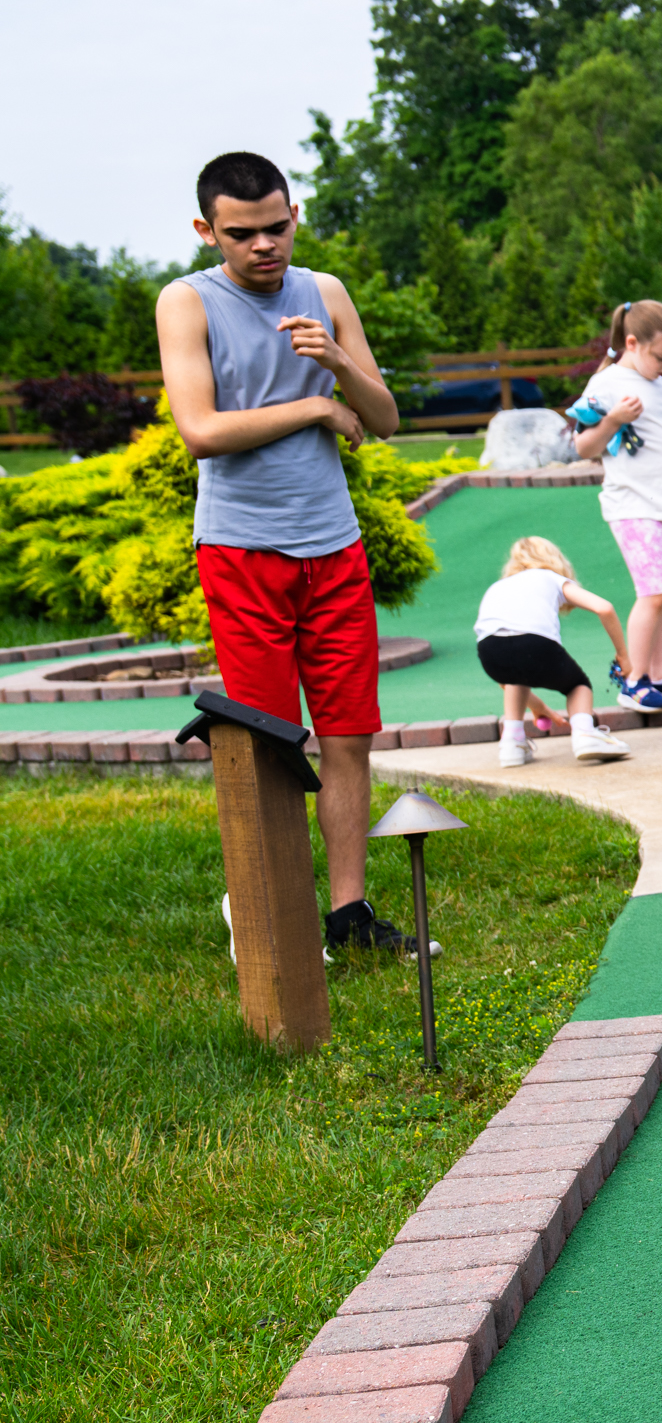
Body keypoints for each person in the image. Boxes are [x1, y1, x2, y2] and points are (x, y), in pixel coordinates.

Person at [157, 150, 424, 957]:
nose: (264, 245)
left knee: (348, 734)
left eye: (276, 227)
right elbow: (200, 431)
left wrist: (338, 365)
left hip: (334, 546)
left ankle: (349, 913)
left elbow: (384, 418)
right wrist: (314, 408)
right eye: (242, 233)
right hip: (242, 549)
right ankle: (268, 906)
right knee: (269, 742)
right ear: (207, 230)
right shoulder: (187, 301)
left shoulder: (326, 292)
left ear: (295, 216)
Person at [567, 300, 662, 707]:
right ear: (632, 343)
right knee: (652, 593)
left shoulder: (659, 386)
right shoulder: (607, 384)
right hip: (633, 506)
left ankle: (659, 678)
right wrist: (613, 419)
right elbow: (583, 446)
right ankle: (634, 682)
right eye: (660, 357)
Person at [474, 538, 633, 765]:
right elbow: (604, 608)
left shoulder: (498, 586)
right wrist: (623, 656)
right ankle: (585, 735)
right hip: (535, 645)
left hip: (489, 651)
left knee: (513, 679)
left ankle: (512, 743)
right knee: (577, 685)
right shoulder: (550, 577)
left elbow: (505, 680)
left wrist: (538, 707)